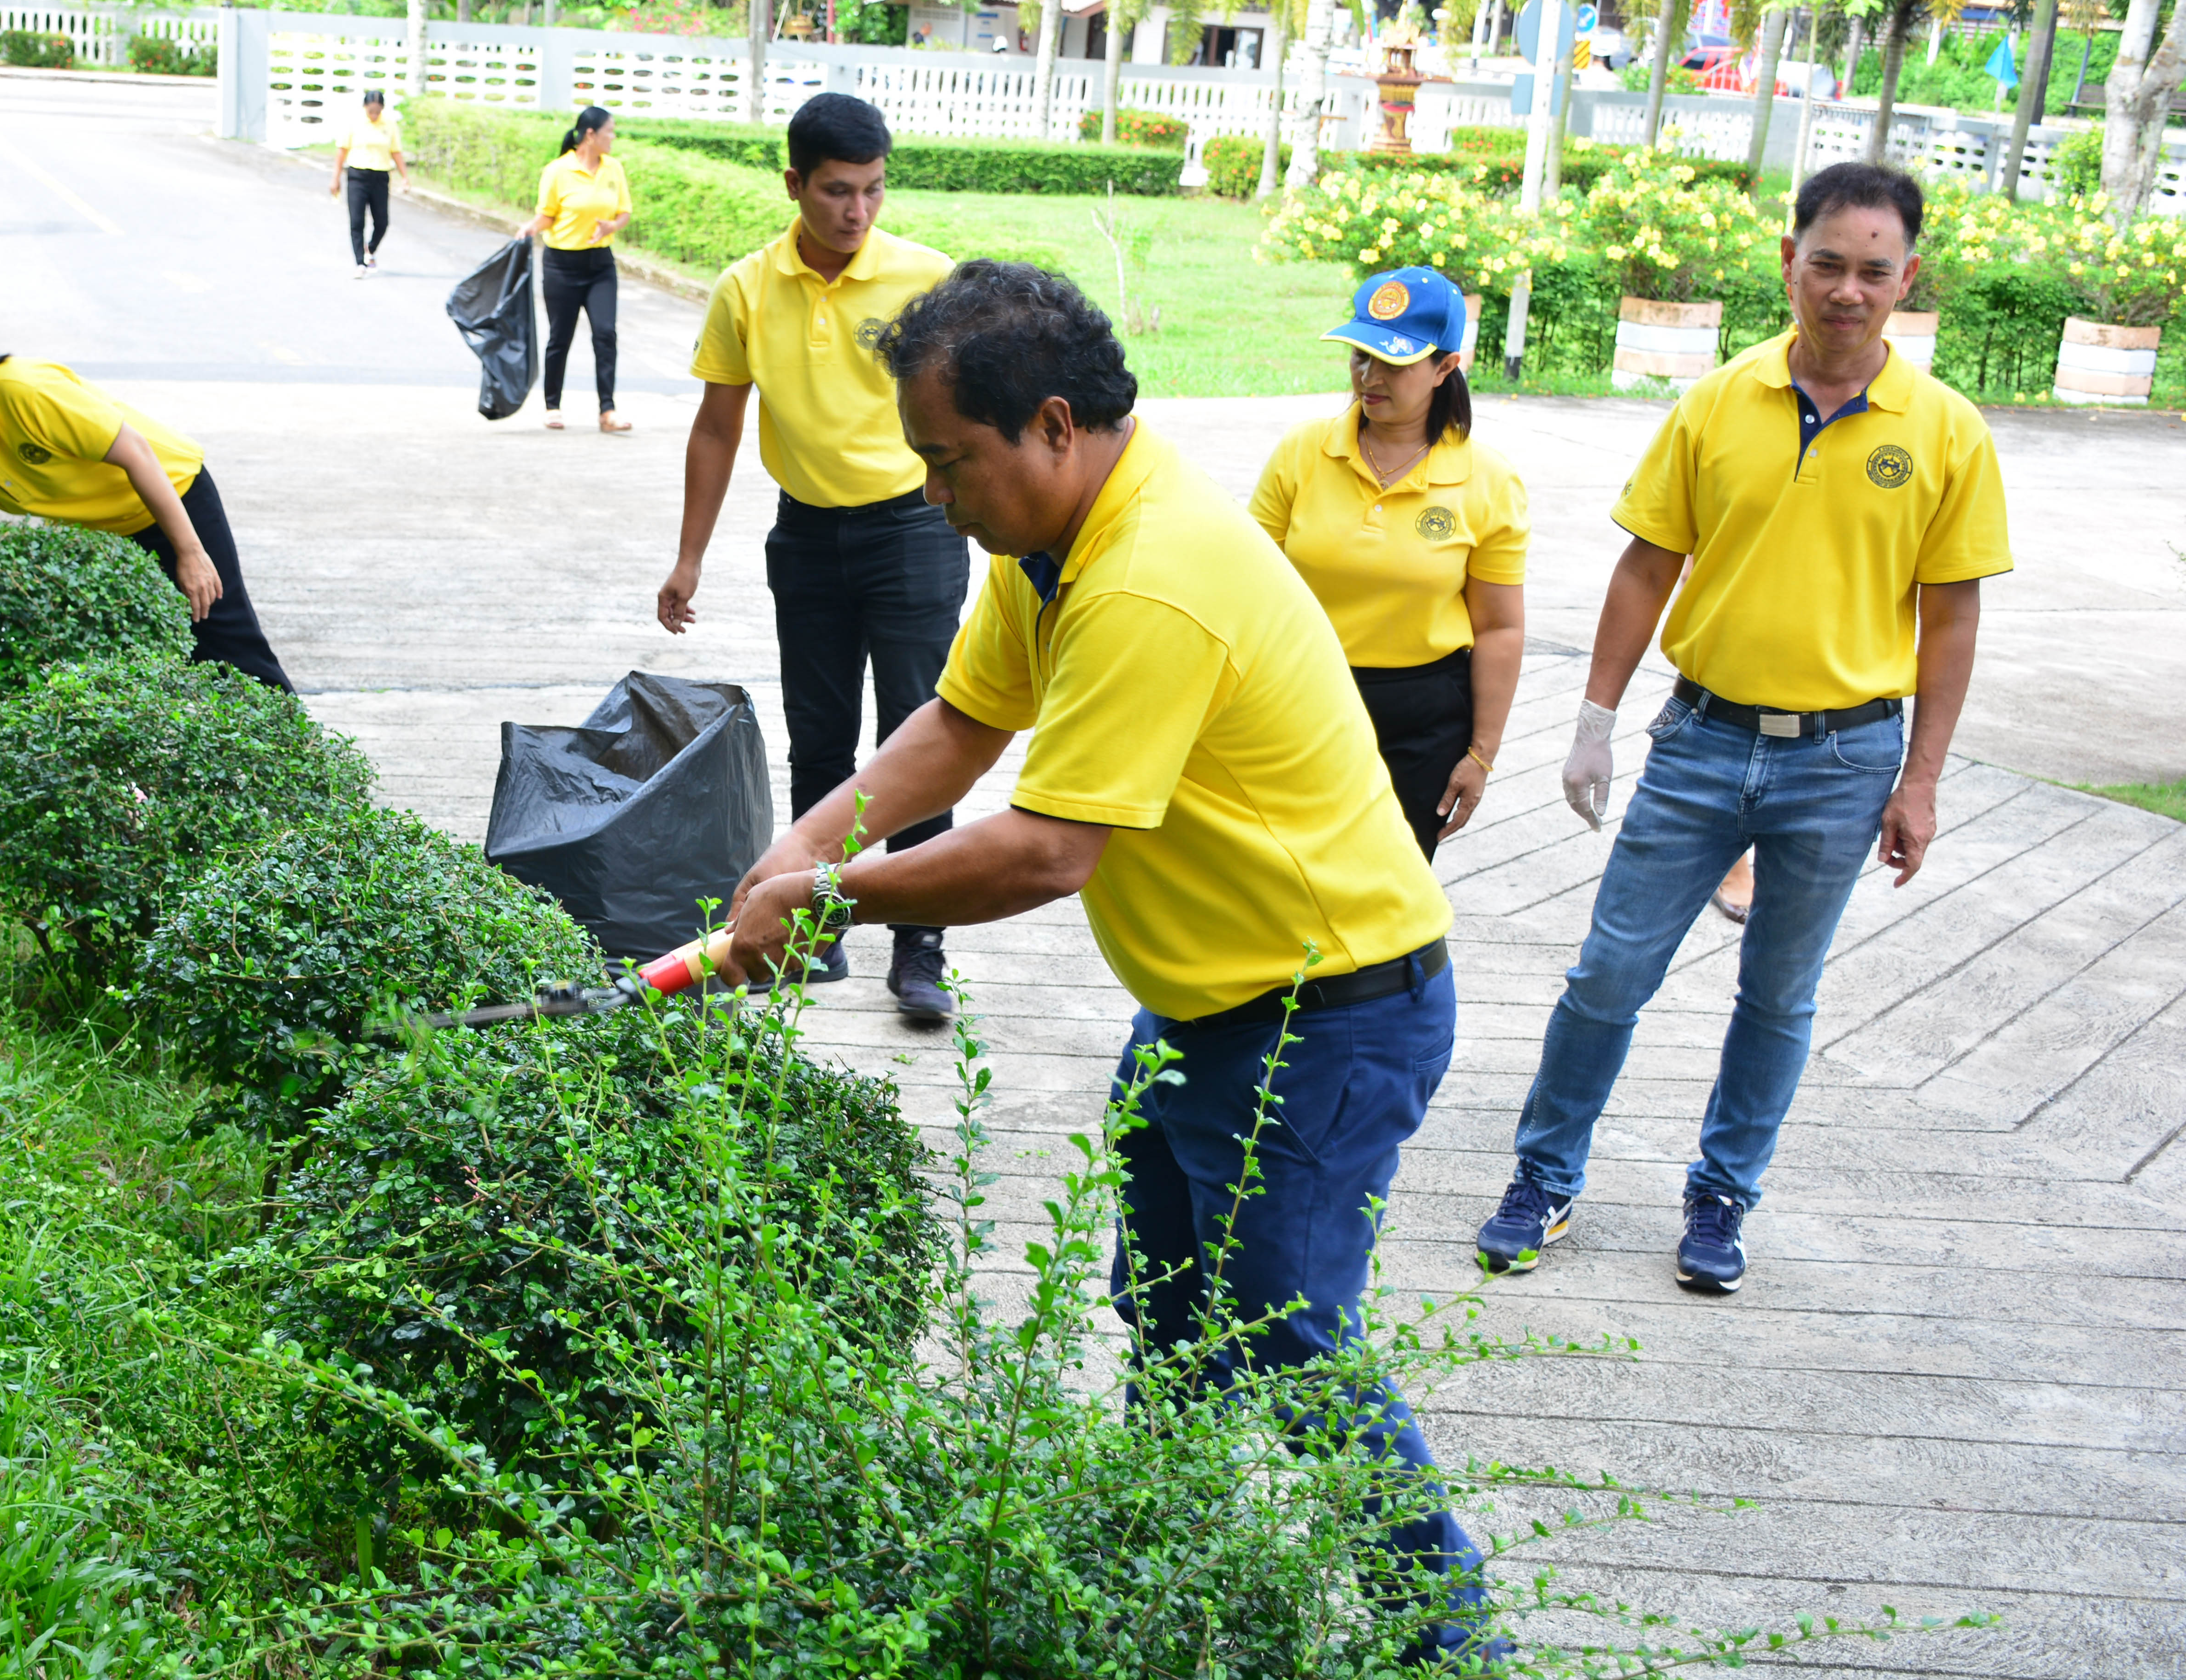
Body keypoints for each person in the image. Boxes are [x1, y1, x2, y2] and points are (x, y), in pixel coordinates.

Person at [715, 262, 1497, 1664]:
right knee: (1172, 1317)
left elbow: (1043, 851)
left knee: (1285, 1338)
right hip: (1202, 1006)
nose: (931, 494)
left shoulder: (1150, 573)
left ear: (1054, 426)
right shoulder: (1053, 539)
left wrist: (823, 902)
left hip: (1325, 1015)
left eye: (949, 460)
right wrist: (795, 854)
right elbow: (962, 722)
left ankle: (1447, 1636)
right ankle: (1157, 1580)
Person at [1474, 161, 2009, 1295]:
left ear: (1908, 277)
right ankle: (1543, 1176)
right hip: (1702, 739)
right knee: (1608, 975)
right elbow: (1647, 566)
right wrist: (1594, 721)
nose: (1848, 290)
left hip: (1846, 758)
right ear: (1788, 260)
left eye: (1875, 271)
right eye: (1828, 263)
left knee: (1778, 994)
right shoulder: (1716, 403)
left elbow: (1953, 617)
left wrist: (1921, 781)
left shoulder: (1947, 432)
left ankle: (1722, 1195)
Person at [657, 92, 965, 1020]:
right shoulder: (747, 289)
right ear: (794, 183)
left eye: (873, 189)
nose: (857, 210)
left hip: (915, 531)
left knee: (919, 736)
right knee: (821, 737)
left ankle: (920, 947)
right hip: (806, 537)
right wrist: (689, 557)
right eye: (837, 191)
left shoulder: (927, 280)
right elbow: (718, 427)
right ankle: (816, 929)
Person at [0, 319, 293, 691]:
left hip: (173, 498)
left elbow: (136, 452)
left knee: (226, 647)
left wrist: (191, 553)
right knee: (148, 666)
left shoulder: (20, 390)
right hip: (108, 536)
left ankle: (305, 764)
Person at [1251, 266, 1527, 861]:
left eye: (1394, 364)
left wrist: (1481, 755)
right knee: (1285, 872)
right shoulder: (1302, 452)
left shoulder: (1489, 480)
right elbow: (1247, 588)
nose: (1369, 378)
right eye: (1360, 356)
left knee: (1389, 880)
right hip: (1301, 695)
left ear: (1446, 367)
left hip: (1422, 717)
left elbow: (1499, 627)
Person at [518, 106, 632, 433]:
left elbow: (624, 212)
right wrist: (530, 228)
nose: (614, 137)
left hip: (600, 265)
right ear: (591, 135)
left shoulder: (613, 168)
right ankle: (553, 406)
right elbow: (548, 216)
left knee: (606, 334)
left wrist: (612, 226)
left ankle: (607, 411)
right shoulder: (557, 171)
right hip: (562, 265)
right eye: (610, 131)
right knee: (560, 337)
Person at [328, 88, 408, 279]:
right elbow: (342, 151)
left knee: (382, 222)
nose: (374, 115)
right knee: (357, 221)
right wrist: (335, 178)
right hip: (357, 176)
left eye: (378, 111)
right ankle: (360, 263)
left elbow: (396, 152)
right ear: (365, 107)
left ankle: (370, 249)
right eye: (371, 111)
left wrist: (405, 177)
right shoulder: (354, 122)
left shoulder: (389, 124)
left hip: (380, 177)